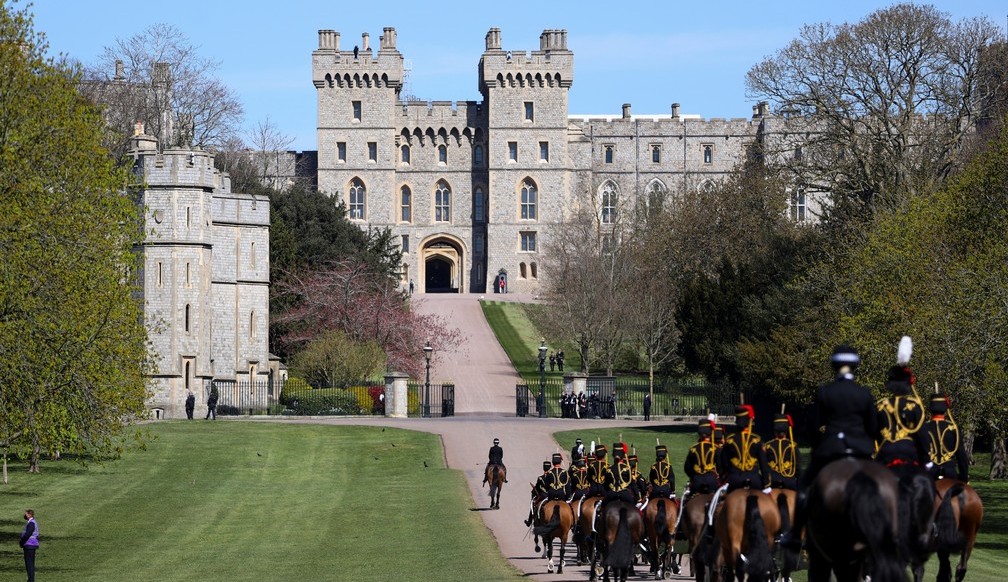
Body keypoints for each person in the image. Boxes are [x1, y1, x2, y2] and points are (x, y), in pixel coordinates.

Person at [782, 344, 878, 551]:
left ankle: (796, 534)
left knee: (804, 487)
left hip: (831, 449)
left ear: (834, 365)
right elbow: (873, 427)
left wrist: (819, 444)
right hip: (859, 451)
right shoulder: (864, 393)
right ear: (855, 366)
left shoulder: (825, 392)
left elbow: (812, 426)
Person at [717, 405, 771, 493]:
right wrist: (766, 483)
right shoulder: (757, 440)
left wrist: (727, 476)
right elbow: (763, 465)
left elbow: (725, 463)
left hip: (735, 480)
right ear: (749, 421)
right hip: (754, 480)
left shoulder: (730, 440)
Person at [922, 393, 970, 483]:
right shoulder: (953, 428)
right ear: (945, 408)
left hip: (929, 472)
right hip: (950, 472)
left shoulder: (924, 428)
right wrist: (964, 478)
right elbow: (961, 456)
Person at [764, 413, 801, 491]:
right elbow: (798, 469)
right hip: (789, 481)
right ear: (786, 430)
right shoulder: (793, 445)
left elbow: (764, 467)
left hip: (773, 482)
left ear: (775, 430)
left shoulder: (767, 446)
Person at [525, 460, 553, 526]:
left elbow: (537, 488)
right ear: (550, 468)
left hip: (543, 496)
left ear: (543, 468)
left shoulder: (540, 478)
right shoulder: (552, 477)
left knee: (533, 503)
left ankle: (529, 521)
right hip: (552, 495)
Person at [20, 509, 38, 582]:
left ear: (29, 515)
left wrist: (22, 542)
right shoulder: (32, 522)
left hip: (29, 545)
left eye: (26, 514)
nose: (24, 515)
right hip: (31, 545)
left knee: (29, 564)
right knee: (30, 564)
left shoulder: (31, 523)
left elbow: (27, 534)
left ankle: (31, 580)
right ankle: (30, 579)